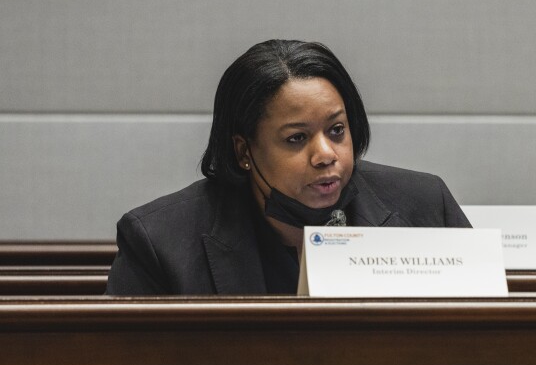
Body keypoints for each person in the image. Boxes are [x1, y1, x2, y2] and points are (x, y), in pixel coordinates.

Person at [106, 39, 470, 295]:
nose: (326, 154)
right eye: (296, 138)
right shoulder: (159, 241)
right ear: (243, 150)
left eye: (337, 130)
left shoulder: (424, 205)